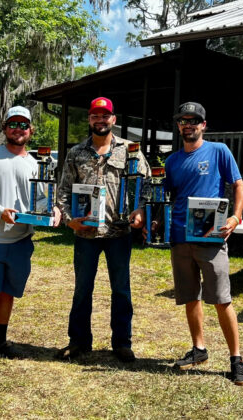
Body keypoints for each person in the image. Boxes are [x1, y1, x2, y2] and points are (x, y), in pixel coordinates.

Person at [161, 101, 243, 385]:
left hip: (211, 239)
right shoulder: (172, 161)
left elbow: (238, 184)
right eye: (183, 121)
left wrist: (236, 217)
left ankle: (236, 359)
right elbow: (167, 197)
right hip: (179, 238)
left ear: (203, 125)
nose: (189, 125)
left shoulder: (218, 151)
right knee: (190, 296)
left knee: (222, 299)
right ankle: (199, 349)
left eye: (194, 121)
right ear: (178, 126)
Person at [0, 105, 61, 373]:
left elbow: (43, 197)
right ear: (5, 127)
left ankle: (3, 342)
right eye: (13, 124)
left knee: (9, 293)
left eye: (23, 125)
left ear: (30, 131)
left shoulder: (35, 163)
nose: (18, 129)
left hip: (21, 240)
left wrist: (53, 209)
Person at [56, 97, 151, 362]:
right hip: (85, 233)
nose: (100, 120)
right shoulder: (76, 152)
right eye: (95, 116)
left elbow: (145, 184)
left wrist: (141, 210)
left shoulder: (130, 150)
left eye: (105, 115)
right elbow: (63, 190)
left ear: (113, 119)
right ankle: (78, 341)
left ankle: (122, 342)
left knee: (121, 289)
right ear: (89, 120)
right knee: (82, 289)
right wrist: (67, 218)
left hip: (118, 233)